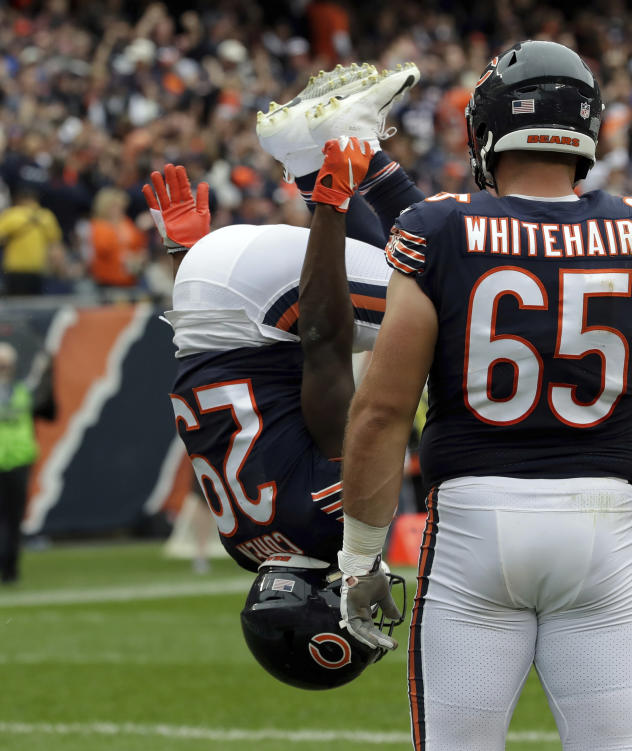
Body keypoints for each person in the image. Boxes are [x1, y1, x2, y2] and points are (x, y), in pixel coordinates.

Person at [336, 41, 632, 750]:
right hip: (602, 532)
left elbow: (383, 409)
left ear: (486, 129)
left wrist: (361, 554)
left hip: (473, 527)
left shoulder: (439, 227)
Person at [144, 61, 423, 689]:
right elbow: (242, 385)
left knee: (461, 292)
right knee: (439, 303)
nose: (370, 608)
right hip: (209, 301)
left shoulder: (324, 525)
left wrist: (332, 202)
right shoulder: (246, 551)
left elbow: (325, 346)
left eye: (354, 620)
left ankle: (352, 146)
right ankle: (301, 151)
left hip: (260, 300)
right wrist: (186, 257)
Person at [0, 342, 40, 584]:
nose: (1, 368)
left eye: (5, 363)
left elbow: (48, 408)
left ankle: (9, 568)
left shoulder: (23, 390)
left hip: (19, 460)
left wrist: (46, 372)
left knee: (13, 518)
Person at [0, 185, 63, 295]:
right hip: (38, 269)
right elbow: (55, 247)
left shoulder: (12, 215)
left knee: (15, 305)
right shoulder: (46, 217)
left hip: (15, 269)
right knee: (35, 305)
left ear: (19, 199)